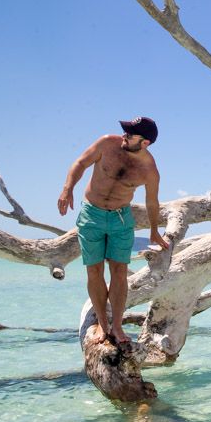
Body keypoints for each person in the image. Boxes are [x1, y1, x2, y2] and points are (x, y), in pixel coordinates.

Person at [58, 117, 169, 346]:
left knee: (119, 270)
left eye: (131, 135)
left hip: (120, 218)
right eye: (125, 132)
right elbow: (80, 163)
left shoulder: (149, 169)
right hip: (92, 215)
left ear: (145, 142)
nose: (124, 136)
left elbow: (152, 202)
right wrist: (67, 189)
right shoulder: (107, 143)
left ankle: (117, 326)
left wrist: (155, 231)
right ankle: (102, 324)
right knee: (94, 269)